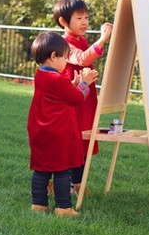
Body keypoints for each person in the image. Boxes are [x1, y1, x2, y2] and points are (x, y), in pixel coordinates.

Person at [27, 31, 97, 217]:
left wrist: (72, 85)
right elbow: (75, 99)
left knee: (42, 169)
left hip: (41, 130)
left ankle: (39, 204)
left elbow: (61, 95)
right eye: (65, 57)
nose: (67, 62)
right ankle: (63, 207)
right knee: (62, 169)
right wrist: (84, 83)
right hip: (58, 132)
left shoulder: (41, 75)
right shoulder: (56, 79)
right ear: (53, 56)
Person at [53, 0, 112, 196]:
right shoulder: (63, 43)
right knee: (72, 139)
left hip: (85, 99)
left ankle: (76, 183)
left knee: (85, 138)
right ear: (63, 21)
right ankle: (59, 182)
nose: (85, 22)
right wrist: (103, 39)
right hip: (72, 99)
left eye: (86, 17)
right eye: (79, 18)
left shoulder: (81, 39)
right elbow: (82, 58)